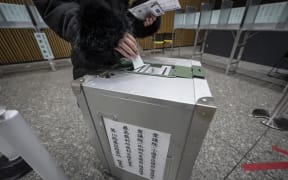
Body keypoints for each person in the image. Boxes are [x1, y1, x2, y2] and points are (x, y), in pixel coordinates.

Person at [33, 0, 161, 79]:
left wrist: (139, 19)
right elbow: (56, 6)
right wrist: (104, 31)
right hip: (91, 61)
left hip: (124, 60)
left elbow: (121, 14)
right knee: (98, 112)